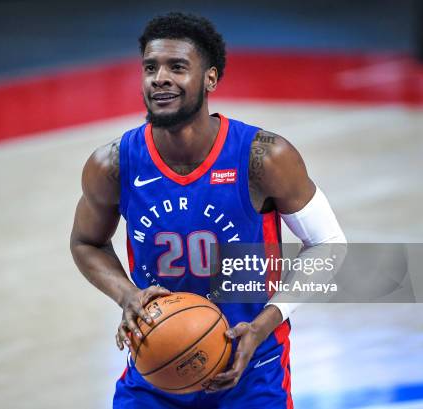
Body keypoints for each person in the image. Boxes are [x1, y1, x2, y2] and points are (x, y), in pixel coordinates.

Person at [70, 12, 346, 409]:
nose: (159, 78)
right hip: (156, 365)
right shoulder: (113, 164)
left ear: (211, 79)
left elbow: (328, 244)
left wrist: (266, 322)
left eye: (177, 67)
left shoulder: (263, 157)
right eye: (150, 67)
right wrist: (127, 295)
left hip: (250, 367)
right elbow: (86, 242)